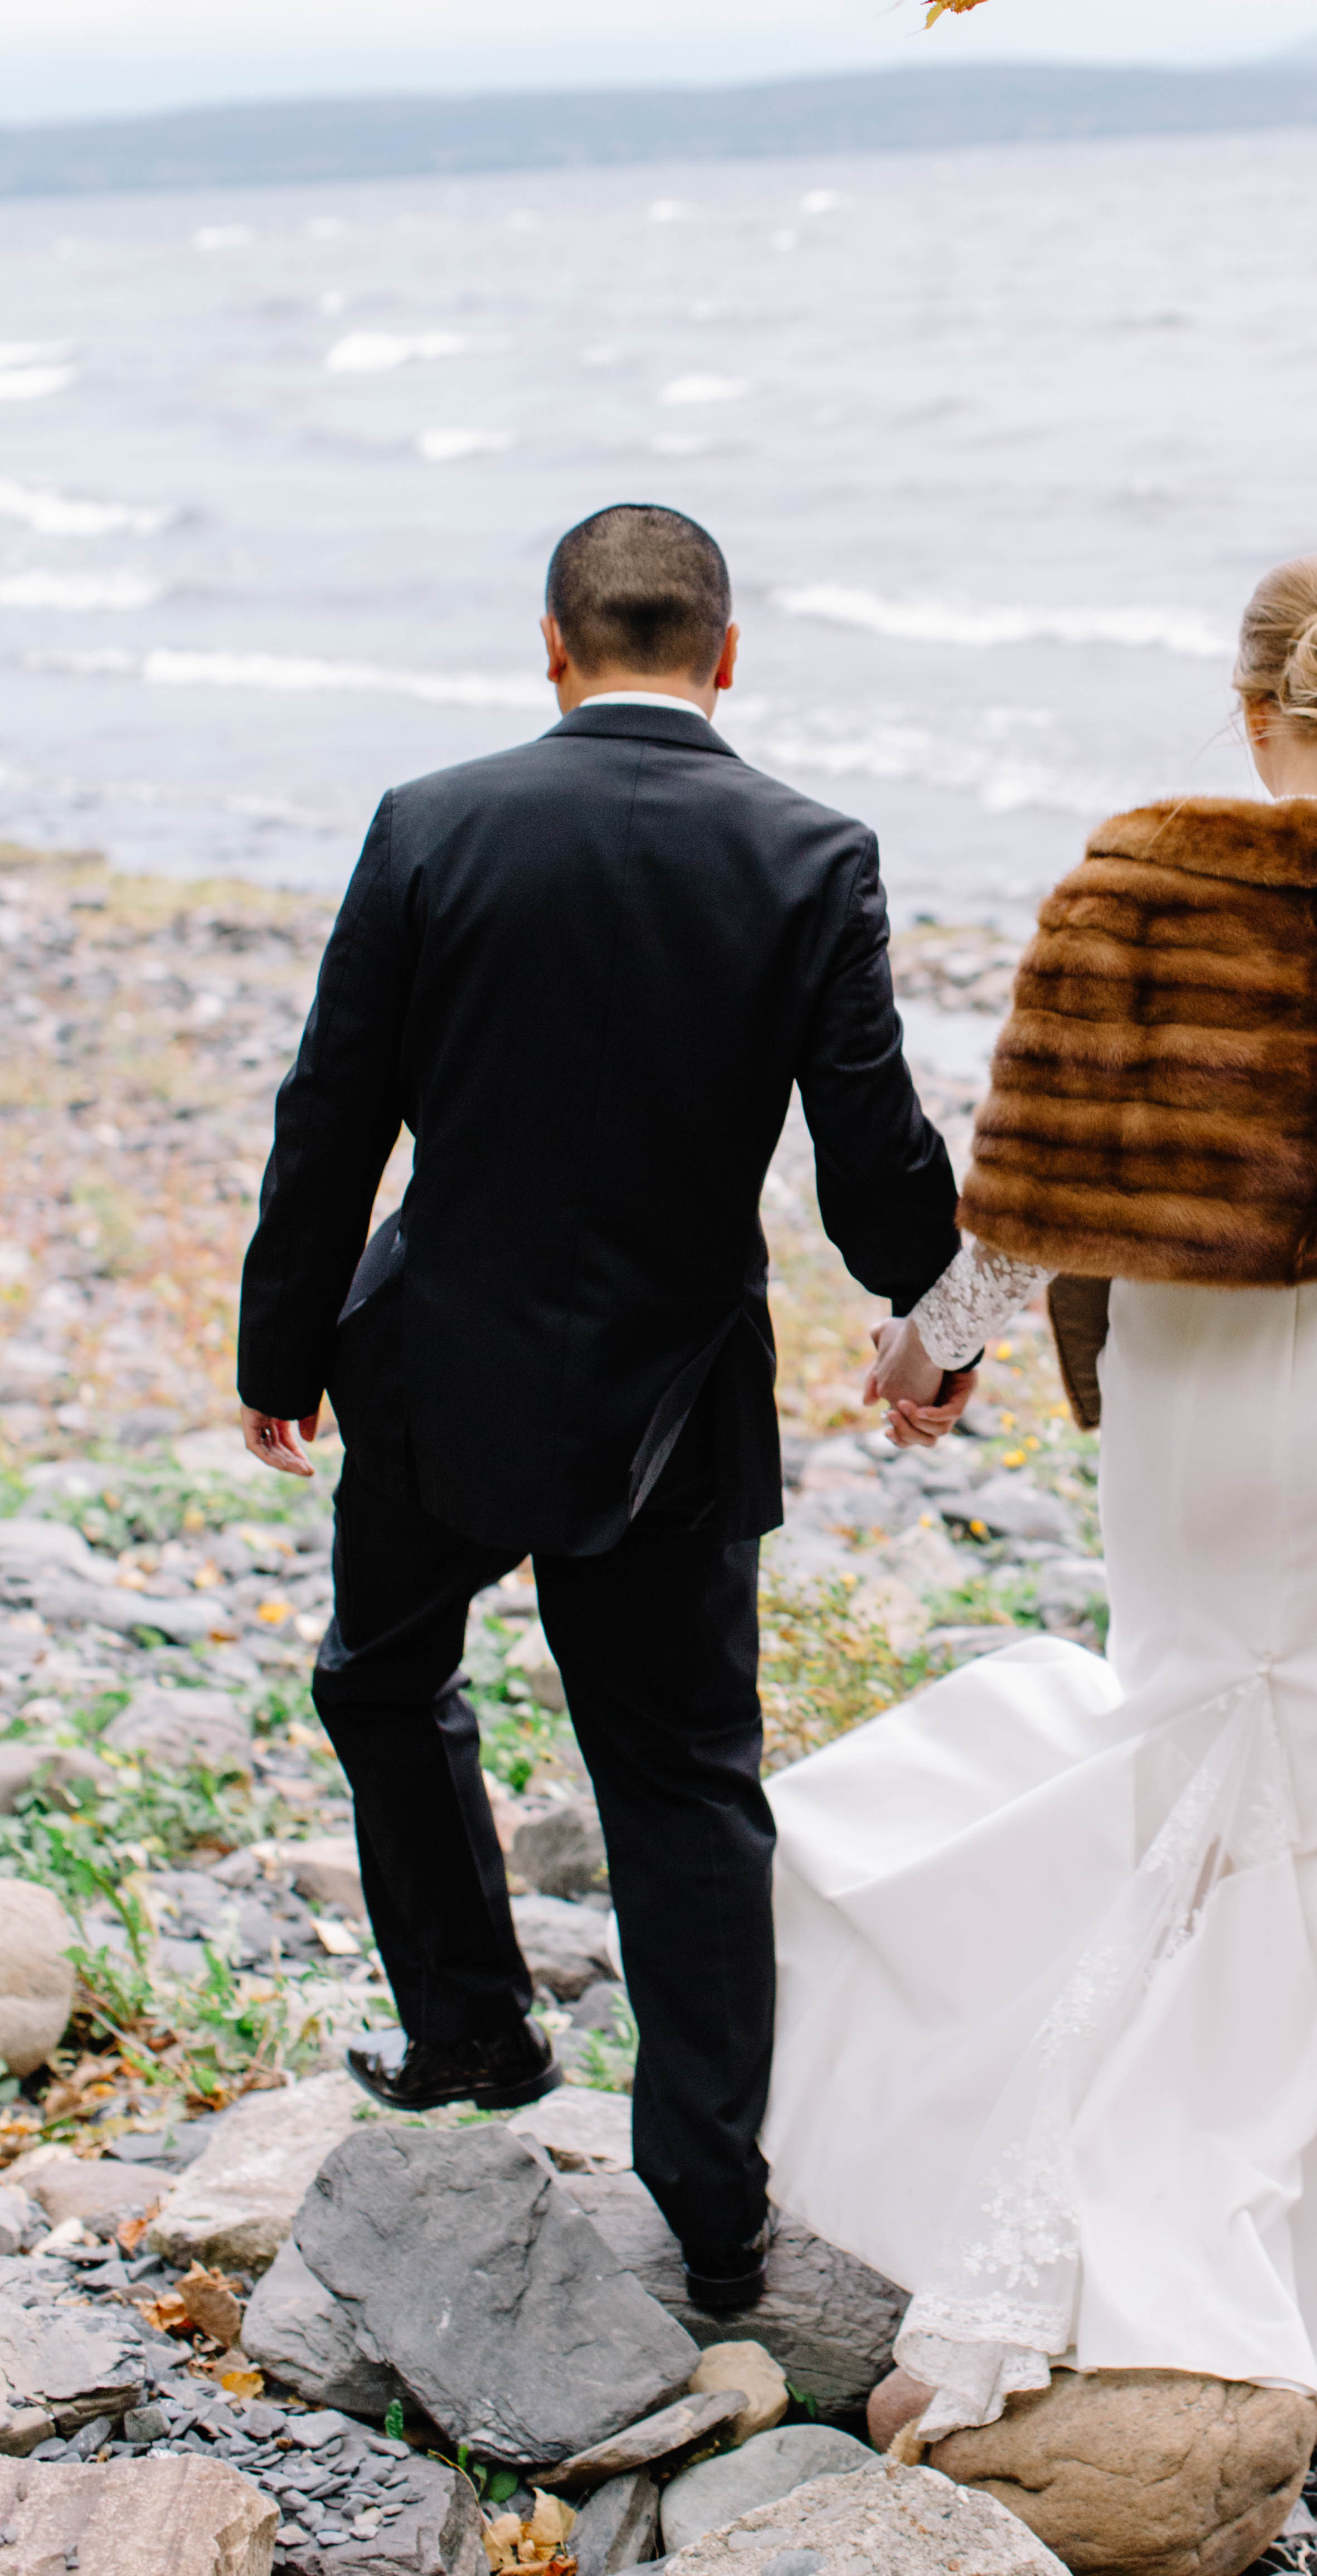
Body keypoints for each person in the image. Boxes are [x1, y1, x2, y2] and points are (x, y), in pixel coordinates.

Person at [775, 553, 1317, 2439]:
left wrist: (932, 1345)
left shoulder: (1131, 884)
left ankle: (1103, 2189)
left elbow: (1032, 1188)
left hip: (1194, 1407)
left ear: (1246, 710)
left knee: (1187, 1749)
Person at [233, 503, 965, 2312]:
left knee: (378, 1679)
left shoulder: (433, 824)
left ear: (550, 649)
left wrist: (278, 1353)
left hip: (435, 1371)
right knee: (686, 1778)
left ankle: (476, 2033)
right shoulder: (812, 851)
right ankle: (715, 2210)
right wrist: (934, 1317)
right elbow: (868, 1153)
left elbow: (334, 1114)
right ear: (726, 659)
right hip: (672, 1394)